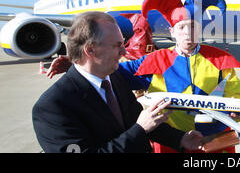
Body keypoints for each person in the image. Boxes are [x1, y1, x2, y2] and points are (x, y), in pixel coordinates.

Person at [47, 0, 240, 153]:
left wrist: (237, 112)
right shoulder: (154, 60)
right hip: (171, 141)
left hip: (216, 141)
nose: (188, 34)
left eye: (193, 27)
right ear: (172, 32)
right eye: (182, 28)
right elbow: (108, 71)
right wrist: (75, 62)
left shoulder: (221, 59)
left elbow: (237, 94)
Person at [32, 11, 203, 153]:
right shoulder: (52, 107)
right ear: (91, 50)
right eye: (117, 45)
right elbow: (140, 126)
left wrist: (181, 138)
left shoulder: (114, 78)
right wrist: (139, 129)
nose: (124, 51)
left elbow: (139, 120)